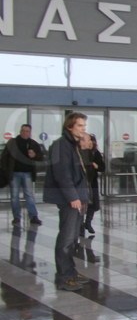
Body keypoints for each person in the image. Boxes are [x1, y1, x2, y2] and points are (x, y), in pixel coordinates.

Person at [42, 112, 92, 292]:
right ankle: (64, 277)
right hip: (70, 199)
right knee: (66, 238)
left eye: (84, 126)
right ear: (70, 126)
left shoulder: (73, 145)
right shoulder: (61, 145)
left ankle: (70, 272)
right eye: (80, 125)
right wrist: (73, 197)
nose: (83, 129)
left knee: (72, 239)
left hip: (78, 197)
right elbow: (62, 174)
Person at [1, 124, 44, 227]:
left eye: (27, 131)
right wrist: (6, 170)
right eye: (23, 131)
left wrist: (34, 155)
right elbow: (4, 157)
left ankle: (33, 216)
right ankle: (16, 217)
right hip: (14, 173)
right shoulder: (12, 142)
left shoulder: (33, 144)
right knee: (14, 196)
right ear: (20, 131)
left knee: (29, 195)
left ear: (30, 133)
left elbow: (40, 157)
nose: (25, 133)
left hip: (27, 173)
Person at [77, 134, 104, 247]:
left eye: (91, 141)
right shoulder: (79, 153)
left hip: (92, 182)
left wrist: (96, 166)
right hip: (83, 183)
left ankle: (87, 222)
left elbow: (102, 167)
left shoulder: (95, 153)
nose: (90, 143)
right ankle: (80, 225)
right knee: (82, 205)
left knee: (93, 204)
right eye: (88, 140)